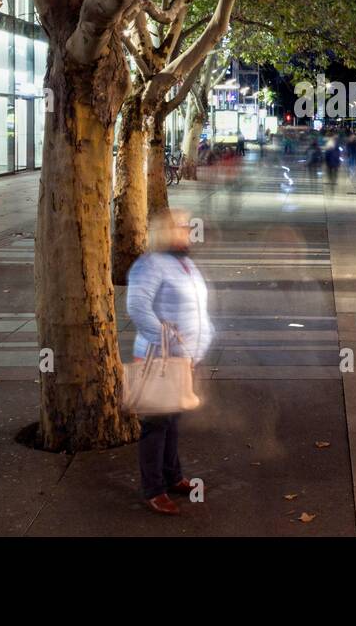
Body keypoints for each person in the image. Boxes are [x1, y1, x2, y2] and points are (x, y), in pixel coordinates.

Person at [124, 209, 215, 516]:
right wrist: (172, 343)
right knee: (156, 425)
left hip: (186, 359)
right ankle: (153, 489)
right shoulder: (149, 264)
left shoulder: (184, 263)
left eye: (188, 225)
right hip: (160, 358)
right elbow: (137, 308)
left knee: (173, 420)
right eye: (181, 226)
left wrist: (200, 342)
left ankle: (172, 475)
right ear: (165, 231)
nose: (188, 230)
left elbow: (198, 309)